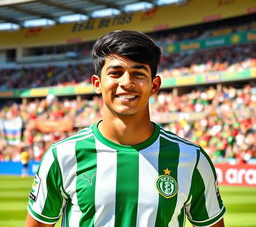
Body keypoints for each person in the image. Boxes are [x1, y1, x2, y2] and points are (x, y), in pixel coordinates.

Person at [25, 30, 225, 227]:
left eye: (138, 73)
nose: (127, 83)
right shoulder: (62, 155)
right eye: (115, 73)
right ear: (97, 83)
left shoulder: (190, 158)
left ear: (154, 86)